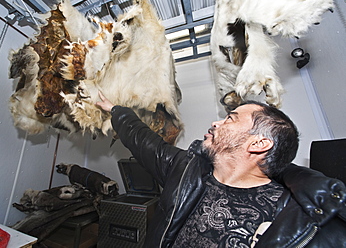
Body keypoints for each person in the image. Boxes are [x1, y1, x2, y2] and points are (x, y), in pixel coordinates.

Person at [95, 91, 346, 248]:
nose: (216, 122)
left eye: (231, 118)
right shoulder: (185, 170)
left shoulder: (298, 219)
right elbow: (143, 141)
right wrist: (114, 110)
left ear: (259, 143)